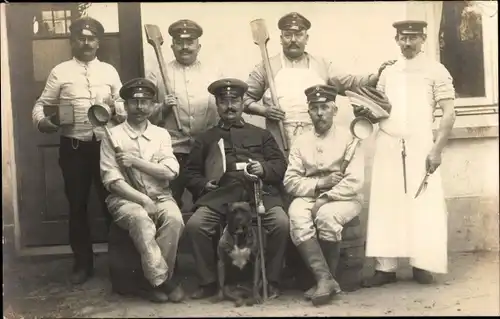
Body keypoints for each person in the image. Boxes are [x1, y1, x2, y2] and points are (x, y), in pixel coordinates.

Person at [356, 20, 456, 287]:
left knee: (423, 203)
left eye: (413, 38)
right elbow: (379, 108)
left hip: (421, 144)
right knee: (385, 202)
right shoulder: (389, 72)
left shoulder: (436, 70)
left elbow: (449, 114)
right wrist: (366, 111)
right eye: (403, 38)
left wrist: (437, 149)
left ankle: (422, 264)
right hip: (388, 143)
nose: (408, 43)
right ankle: (385, 267)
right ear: (396, 39)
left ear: (423, 39)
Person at [31, 17, 125, 285]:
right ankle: (83, 264)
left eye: (91, 38)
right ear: (73, 41)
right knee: (77, 206)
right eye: (81, 38)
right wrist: (45, 123)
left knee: (114, 204)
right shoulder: (60, 71)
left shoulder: (109, 71)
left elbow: (122, 101)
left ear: (98, 42)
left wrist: (116, 107)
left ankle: (120, 264)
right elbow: (40, 105)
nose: (86, 43)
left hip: (106, 147)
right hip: (74, 148)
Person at [183, 78, 289, 300]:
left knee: (280, 223)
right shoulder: (206, 138)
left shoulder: (262, 135)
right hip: (221, 195)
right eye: (223, 101)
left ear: (243, 104)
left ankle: (271, 281)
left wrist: (265, 168)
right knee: (195, 225)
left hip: (259, 194)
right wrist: (204, 184)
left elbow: (280, 165)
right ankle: (209, 282)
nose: (229, 106)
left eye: (234, 101)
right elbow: (190, 173)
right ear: (217, 105)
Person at [243, 11, 393, 152]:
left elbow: (350, 83)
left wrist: (377, 76)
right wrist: (264, 111)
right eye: (288, 35)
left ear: (306, 38)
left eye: (299, 35)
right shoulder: (266, 67)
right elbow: (243, 99)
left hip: (316, 138)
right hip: (279, 138)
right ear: (281, 39)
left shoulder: (322, 65)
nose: (293, 40)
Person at [100, 78, 185, 303]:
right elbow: (112, 180)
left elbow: (170, 171)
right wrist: (142, 200)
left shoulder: (161, 135)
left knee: (174, 219)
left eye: (145, 102)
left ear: (153, 105)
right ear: (125, 106)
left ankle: (149, 283)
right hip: (124, 199)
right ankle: (163, 281)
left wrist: (135, 162)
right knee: (141, 220)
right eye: (134, 102)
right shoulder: (113, 136)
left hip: (161, 195)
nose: (140, 107)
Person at [283, 84, 364, 305]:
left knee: (327, 216)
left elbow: (355, 180)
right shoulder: (300, 141)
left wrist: (327, 197)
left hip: (344, 198)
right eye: (315, 108)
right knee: (297, 214)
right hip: (310, 194)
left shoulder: (350, 138)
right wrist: (320, 184)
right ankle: (325, 279)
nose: (320, 113)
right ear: (308, 111)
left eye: (325, 107)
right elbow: (290, 181)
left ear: (334, 110)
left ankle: (325, 281)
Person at [147, 19, 223, 209]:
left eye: (190, 42)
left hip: (205, 150)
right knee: (170, 204)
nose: (185, 47)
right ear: (172, 45)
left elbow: (223, 110)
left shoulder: (213, 73)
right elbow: (143, 113)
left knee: (208, 204)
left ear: (198, 45)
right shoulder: (157, 74)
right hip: (172, 150)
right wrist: (162, 107)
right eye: (179, 43)